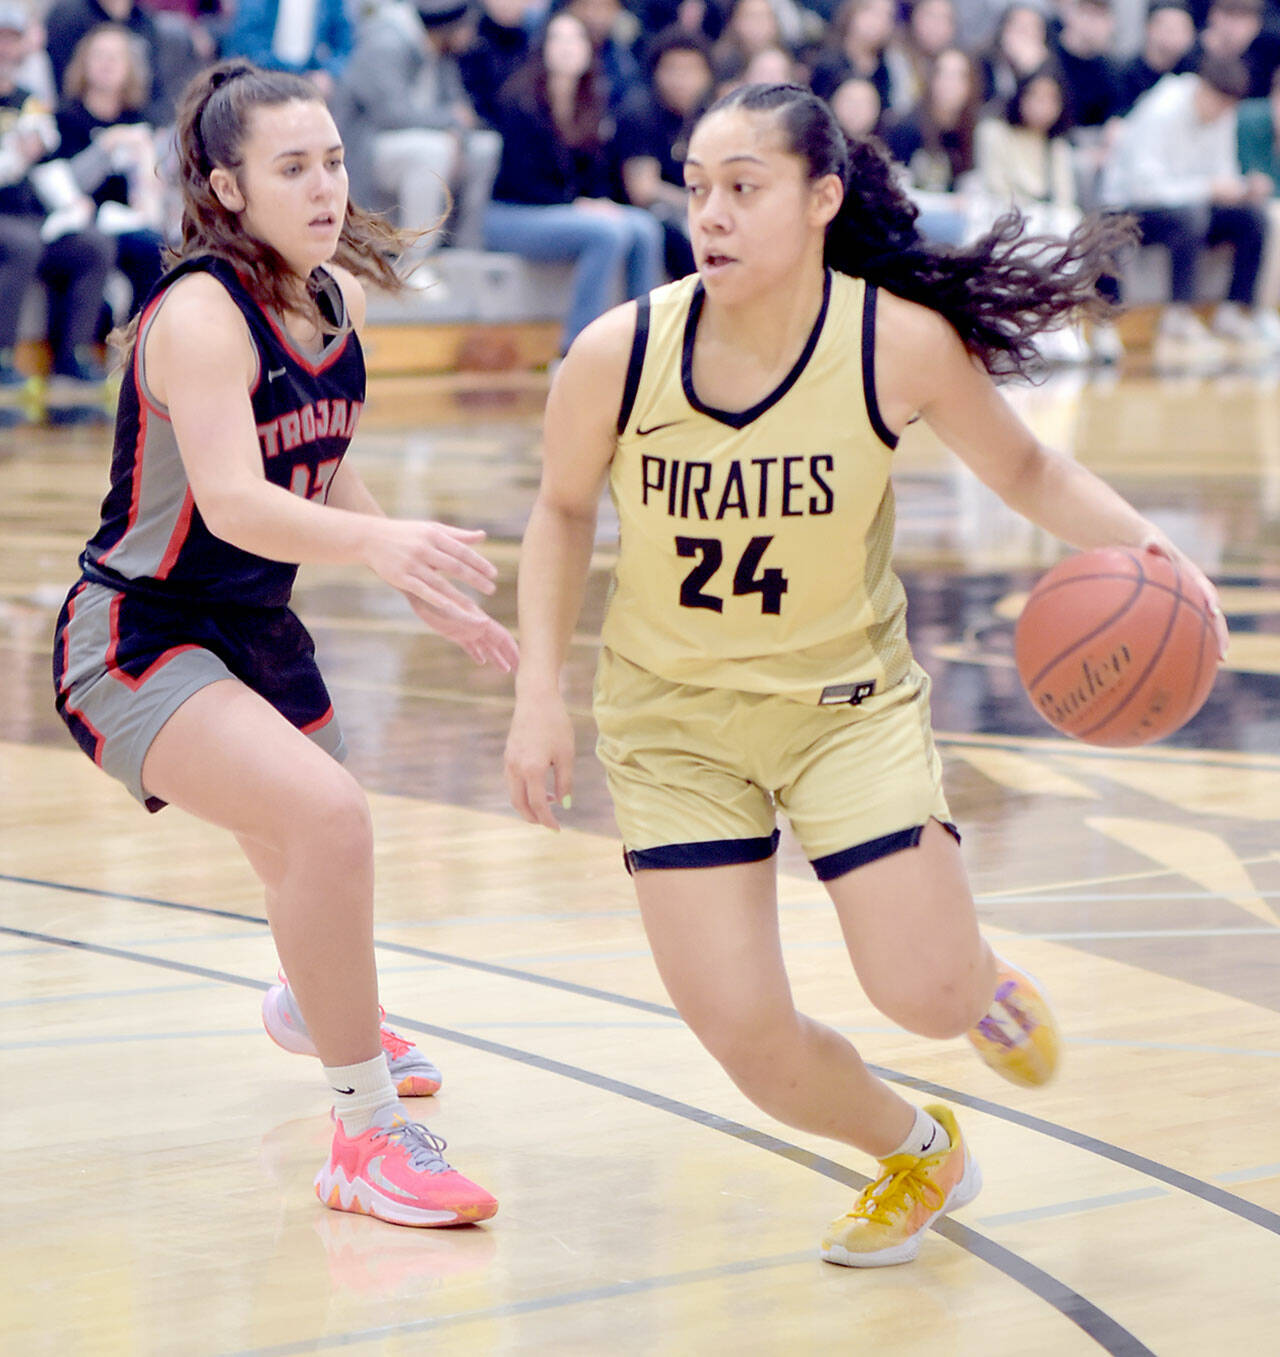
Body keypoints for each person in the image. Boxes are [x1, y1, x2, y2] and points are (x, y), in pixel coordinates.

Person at [503, 80, 1227, 1267]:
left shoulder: (892, 344)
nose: (712, 216)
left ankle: (979, 978)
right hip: (671, 726)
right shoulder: (616, 351)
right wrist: (537, 694)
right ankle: (914, 1146)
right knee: (742, 1035)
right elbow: (561, 505)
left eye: (744, 189)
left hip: (845, 712)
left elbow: (1031, 471)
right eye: (696, 190)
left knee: (927, 996)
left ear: (821, 197)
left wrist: (1152, 556)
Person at [52, 59, 517, 1227]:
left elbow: (318, 453)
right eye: (292, 167)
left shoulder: (326, 299)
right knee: (325, 819)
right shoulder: (203, 313)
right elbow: (235, 500)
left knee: (305, 845)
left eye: (333, 160)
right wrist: (383, 547)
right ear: (227, 185)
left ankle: (316, 1007)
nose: (324, 186)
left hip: (250, 626)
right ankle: (363, 1139)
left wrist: (406, 573)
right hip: (136, 633)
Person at [482, 11, 663, 353]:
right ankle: (575, 350)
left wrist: (599, 202)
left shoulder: (593, 104)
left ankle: (646, 343)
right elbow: (521, 182)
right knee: (607, 232)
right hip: (512, 213)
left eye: (575, 39)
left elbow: (596, 177)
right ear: (543, 48)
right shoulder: (518, 102)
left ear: (589, 50)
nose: (566, 48)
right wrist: (579, 205)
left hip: (566, 212)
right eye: (557, 39)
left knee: (644, 227)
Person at [1101, 53, 1272, 349]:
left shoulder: (1225, 115)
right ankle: (1178, 313)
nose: (1222, 113)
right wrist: (1207, 188)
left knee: (1253, 218)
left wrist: (1243, 189)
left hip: (1191, 207)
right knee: (1191, 215)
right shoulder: (1162, 108)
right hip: (1127, 210)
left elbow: (1222, 174)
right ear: (1203, 89)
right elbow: (1145, 189)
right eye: (1219, 104)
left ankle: (1235, 310)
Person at [0, 0, 114, 387]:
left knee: (92, 245)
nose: (4, 47)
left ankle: (71, 359)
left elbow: (49, 167)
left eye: (12, 38)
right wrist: (14, 156)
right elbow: (19, 162)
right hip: (9, 225)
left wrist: (69, 201)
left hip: (31, 217)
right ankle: (3, 360)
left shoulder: (30, 100)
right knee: (22, 244)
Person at [338, 0, 500, 255]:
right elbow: (391, 113)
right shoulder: (386, 43)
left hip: (425, 141)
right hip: (367, 148)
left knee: (485, 147)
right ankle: (416, 257)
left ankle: (465, 249)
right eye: (467, 27)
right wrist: (450, 123)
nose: (471, 35)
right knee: (432, 151)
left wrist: (455, 128)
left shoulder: (442, 52)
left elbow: (460, 109)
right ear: (449, 26)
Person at [56, 24, 166, 322]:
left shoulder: (139, 121)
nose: (106, 64)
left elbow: (151, 192)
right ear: (84, 63)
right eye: (99, 56)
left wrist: (145, 158)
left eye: (115, 58)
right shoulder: (64, 117)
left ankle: (140, 342)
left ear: (130, 68)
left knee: (157, 246)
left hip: (127, 225)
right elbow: (66, 183)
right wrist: (105, 146)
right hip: (77, 223)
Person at [615, 27, 713, 276]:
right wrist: (696, 200)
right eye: (672, 69)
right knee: (678, 232)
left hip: (689, 206)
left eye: (690, 70)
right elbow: (643, 190)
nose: (680, 80)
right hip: (639, 212)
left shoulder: (709, 117)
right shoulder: (640, 113)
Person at [1115, 0, 1197, 115]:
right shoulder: (1122, 74)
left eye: (1183, 29)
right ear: (1149, 28)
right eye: (1170, 29)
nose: (1176, 37)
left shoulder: (1193, 77)